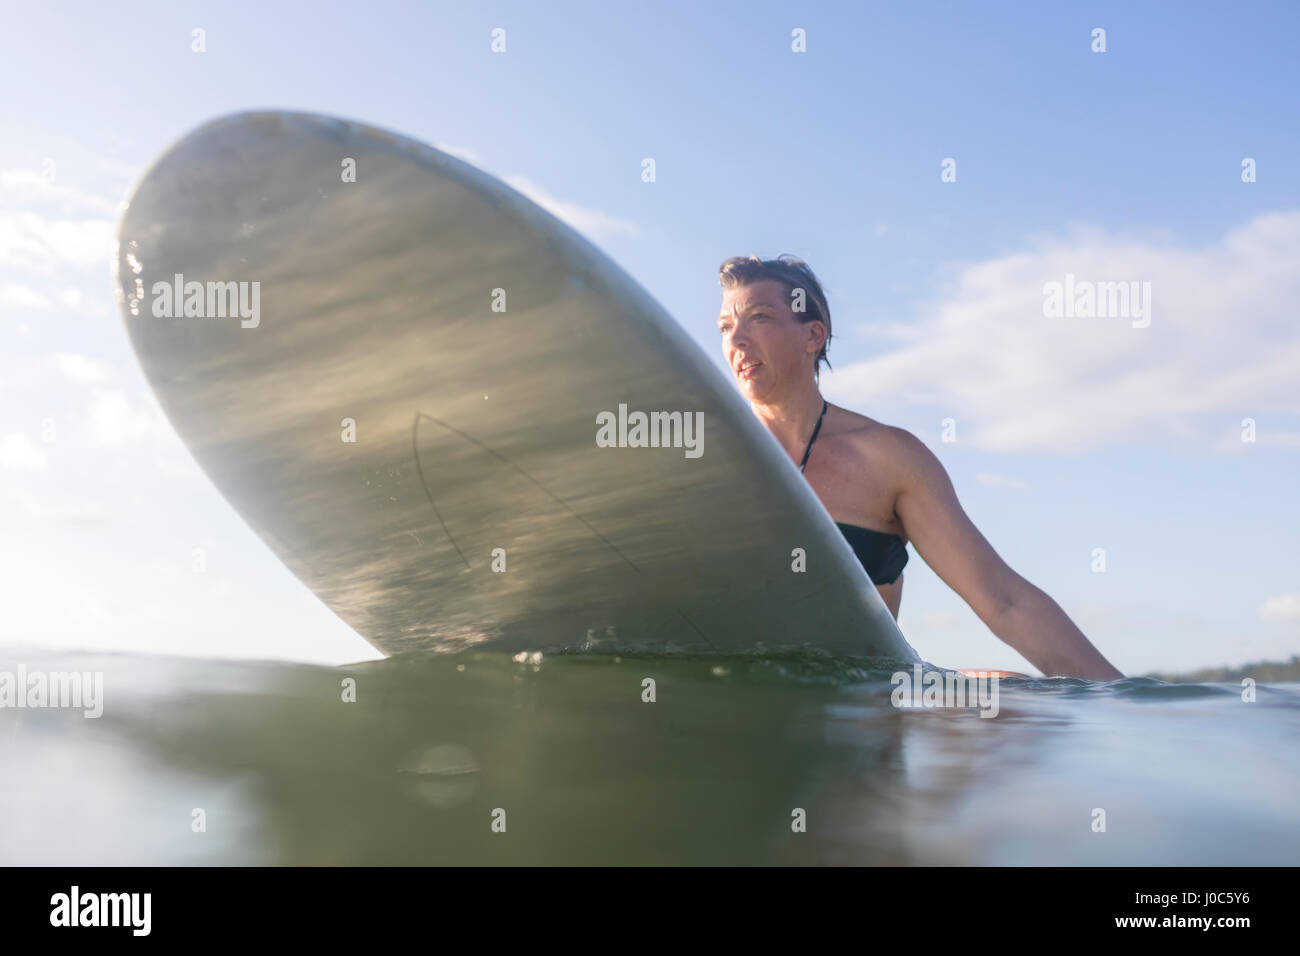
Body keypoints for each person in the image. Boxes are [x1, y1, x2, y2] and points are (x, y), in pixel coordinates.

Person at [717, 254, 1123, 681]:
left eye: (759, 318)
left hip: (863, 702)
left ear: (813, 336)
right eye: (725, 326)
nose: (736, 339)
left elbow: (1004, 600)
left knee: (1013, 696)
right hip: (734, 690)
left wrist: (1122, 699)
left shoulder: (888, 458)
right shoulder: (704, 455)